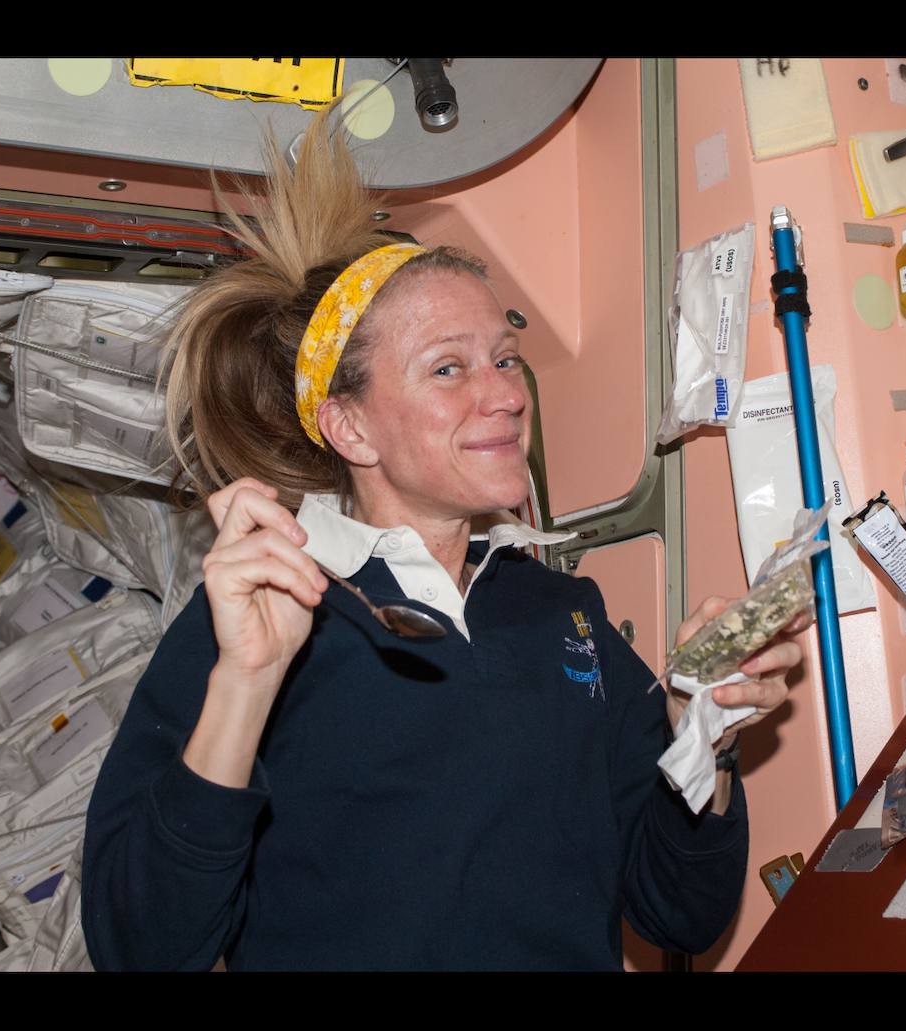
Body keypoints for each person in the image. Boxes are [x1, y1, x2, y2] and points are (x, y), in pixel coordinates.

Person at [81, 108, 804, 971]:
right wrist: (247, 682)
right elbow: (140, 947)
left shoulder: (563, 612)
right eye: (449, 368)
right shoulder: (258, 615)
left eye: (504, 358)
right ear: (349, 427)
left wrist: (699, 733)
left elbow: (680, 912)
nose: (504, 394)